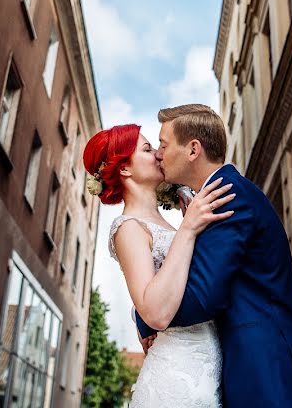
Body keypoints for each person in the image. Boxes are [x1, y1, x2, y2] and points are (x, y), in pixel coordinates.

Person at [137, 104, 292, 407]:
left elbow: (203, 297)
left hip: (267, 372)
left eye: (163, 144)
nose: (158, 154)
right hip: (258, 368)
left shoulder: (228, 195)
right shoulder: (218, 194)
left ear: (193, 149)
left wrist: (146, 313)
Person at [83, 123, 236, 407]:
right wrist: (189, 229)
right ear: (125, 169)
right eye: (147, 148)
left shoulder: (173, 221)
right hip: (175, 382)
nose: (157, 154)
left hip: (206, 369)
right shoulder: (128, 228)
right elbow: (154, 311)